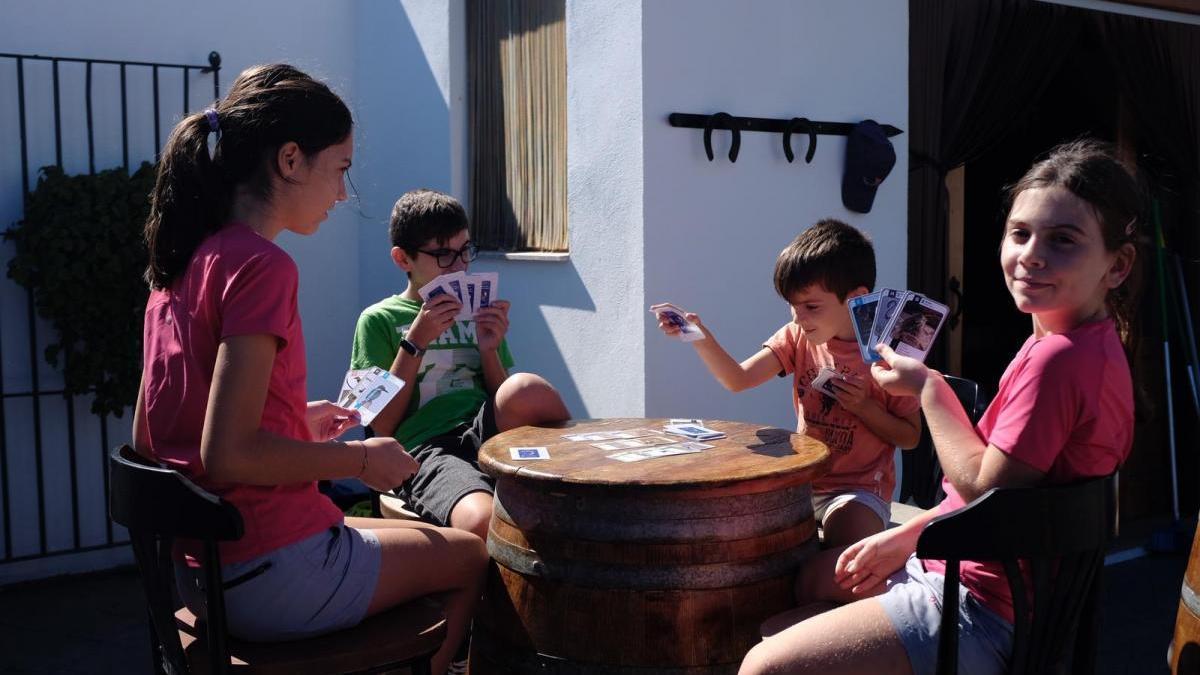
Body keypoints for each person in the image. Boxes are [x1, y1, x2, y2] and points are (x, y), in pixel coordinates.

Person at [740, 138, 1142, 675]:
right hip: (977, 572)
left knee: (764, 662)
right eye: (1020, 233)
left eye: (1064, 240)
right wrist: (908, 534)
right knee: (810, 582)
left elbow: (983, 486)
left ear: (1117, 266)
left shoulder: (1060, 361)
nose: (1032, 255)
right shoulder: (1082, 344)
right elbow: (1007, 496)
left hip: (982, 608)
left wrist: (929, 386)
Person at [132, 64, 485, 675]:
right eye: (341, 168)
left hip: (204, 577)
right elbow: (230, 454)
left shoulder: (180, 268)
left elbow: (154, 440)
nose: (344, 194)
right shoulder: (261, 266)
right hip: (275, 572)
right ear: (291, 160)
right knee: (471, 556)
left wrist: (294, 421)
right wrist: (362, 460)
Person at [656, 219, 922, 547]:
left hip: (859, 492)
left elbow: (910, 437)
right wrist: (699, 337)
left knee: (845, 549)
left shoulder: (887, 354)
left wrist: (864, 407)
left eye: (811, 307)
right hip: (800, 482)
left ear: (856, 298)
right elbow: (737, 379)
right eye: (792, 306)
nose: (798, 318)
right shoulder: (797, 336)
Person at [349, 188, 570, 541]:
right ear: (403, 259)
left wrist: (489, 350)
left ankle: (580, 483)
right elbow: (380, 428)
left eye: (465, 250)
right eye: (443, 255)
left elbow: (504, 397)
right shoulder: (377, 319)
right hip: (427, 445)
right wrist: (415, 341)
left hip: (484, 428)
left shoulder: (474, 308)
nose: (460, 266)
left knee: (526, 388)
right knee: (482, 521)